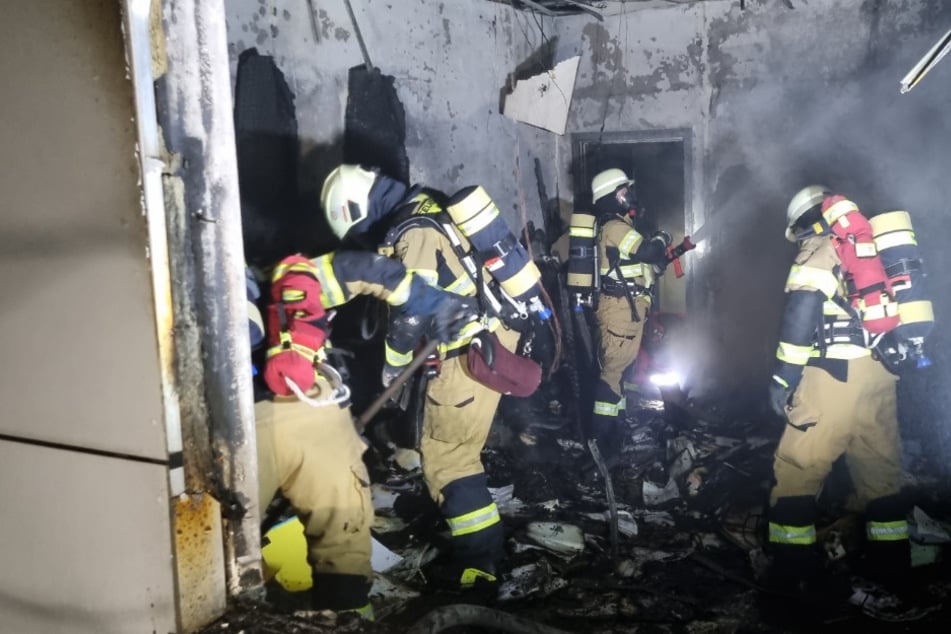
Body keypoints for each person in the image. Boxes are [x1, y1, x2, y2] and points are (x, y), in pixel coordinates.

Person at [320, 164, 536, 592]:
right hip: (486, 341)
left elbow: (411, 311)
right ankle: (486, 553)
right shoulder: (429, 208)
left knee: (448, 460)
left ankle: (482, 569)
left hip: (467, 353)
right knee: (454, 452)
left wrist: (393, 364)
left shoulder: (411, 230)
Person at [247, 250, 474, 618]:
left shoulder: (173, 293)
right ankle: (352, 618)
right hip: (315, 411)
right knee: (343, 534)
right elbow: (369, 270)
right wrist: (438, 304)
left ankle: (251, 615)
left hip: (243, 426)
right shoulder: (285, 281)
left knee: (220, 550)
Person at [765, 185, 909, 608]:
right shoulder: (873, 251)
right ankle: (893, 576)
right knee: (881, 477)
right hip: (880, 376)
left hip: (832, 376)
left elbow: (801, 312)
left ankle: (792, 584)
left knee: (796, 469)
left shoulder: (821, 248)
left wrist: (782, 378)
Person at [587, 168, 671, 464]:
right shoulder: (614, 227)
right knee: (611, 376)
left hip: (628, 309)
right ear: (612, 197)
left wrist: (655, 265)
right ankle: (600, 446)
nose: (628, 196)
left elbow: (638, 264)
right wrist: (661, 239)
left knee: (618, 375)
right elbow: (646, 251)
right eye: (623, 192)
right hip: (620, 311)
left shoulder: (619, 226)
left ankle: (613, 434)